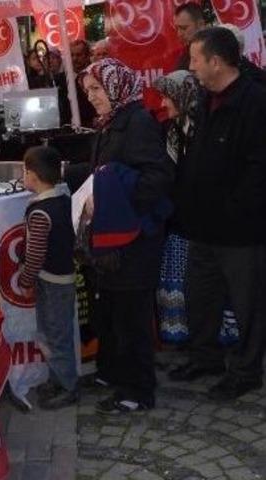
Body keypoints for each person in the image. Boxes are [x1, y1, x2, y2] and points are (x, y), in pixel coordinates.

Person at [170, 27, 266, 400]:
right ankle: (205, 357)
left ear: (216, 61)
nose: (190, 66)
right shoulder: (205, 99)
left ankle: (246, 371)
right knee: (200, 296)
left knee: (248, 304)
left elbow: (259, 170)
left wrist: (233, 208)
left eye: (195, 59)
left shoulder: (255, 102)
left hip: (241, 230)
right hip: (203, 226)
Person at [79, 58, 174, 414]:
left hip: (136, 240)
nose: (90, 97)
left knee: (132, 317)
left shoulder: (138, 122)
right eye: (88, 90)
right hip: (115, 241)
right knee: (113, 310)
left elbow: (157, 179)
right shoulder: (112, 121)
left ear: (116, 87)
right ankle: (115, 373)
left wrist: (104, 197)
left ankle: (138, 390)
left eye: (96, 89)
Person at [18, 146, 77, 410]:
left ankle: (67, 386)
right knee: (52, 332)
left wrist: (25, 280)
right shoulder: (64, 200)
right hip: (59, 278)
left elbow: (35, 254)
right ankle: (57, 379)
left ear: (32, 175)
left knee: (56, 336)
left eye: (24, 171)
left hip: (52, 282)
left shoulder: (41, 212)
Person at [152, 70, 201, 343]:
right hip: (176, 224)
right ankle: (187, 341)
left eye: (167, 97)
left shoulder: (203, 130)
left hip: (200, 227)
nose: (162, 104)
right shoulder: (169, 130)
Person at [71, 39, 98, 126]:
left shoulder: (96, 76)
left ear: (87, 56)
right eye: (72, 55)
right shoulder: (63, 80)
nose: (75, 58)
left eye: (78, 55)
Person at [173, 2, 207, 71]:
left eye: (184, 28)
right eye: (177, 29)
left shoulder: (216, 51)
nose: (179, 34)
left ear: (201, 25)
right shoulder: (184, 56)